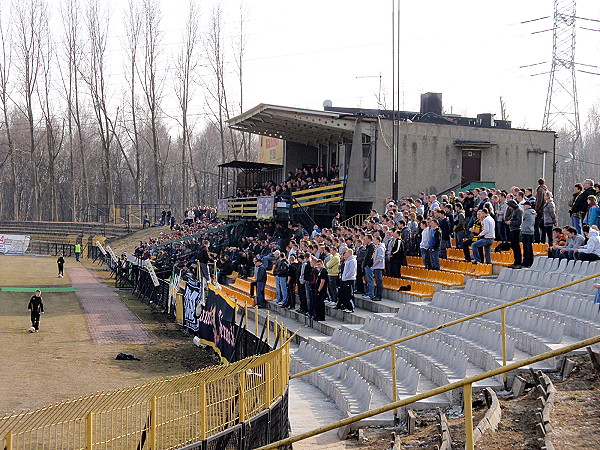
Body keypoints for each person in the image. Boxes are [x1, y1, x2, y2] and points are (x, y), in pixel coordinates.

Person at [506, 200, 523, 268]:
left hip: (516, 230)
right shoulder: (514, 211)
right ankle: (515, 261)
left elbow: (519, 221)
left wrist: (511, 222)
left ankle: (518, 262)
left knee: (516, 246)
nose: (509, 208)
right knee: (513, 245)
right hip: (512, 229)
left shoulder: (518, 210)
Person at [338, 248, 357, 313]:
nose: (345, 254)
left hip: (349, 279)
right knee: (346, 294)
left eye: (346, 253)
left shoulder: (352, 261)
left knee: (349, 294)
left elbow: (351, 271)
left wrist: (346, 276)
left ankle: (351, 308)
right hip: (345, 279)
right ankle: (347, 306)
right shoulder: (348, 260)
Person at [521, 201, 536, 267]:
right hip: (531, 230)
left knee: (526, 247)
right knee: (530, 247)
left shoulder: (526, 213)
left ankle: (526, 261)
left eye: (524, 205)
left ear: (528, 205)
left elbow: (521, 219)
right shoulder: (533, 212)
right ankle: (530, 260)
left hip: (525, 231)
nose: (524, 207)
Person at [371, 235, 385, 301]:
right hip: (376, 267)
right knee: (377, 281)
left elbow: (380, 258)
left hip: (378, 267)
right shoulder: (377, 247)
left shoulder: (380, 248)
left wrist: (374, 265)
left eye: (374, 239)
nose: (373, 241)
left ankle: (379, 296)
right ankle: (376, 295)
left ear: (378, 240)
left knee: (379, 281)